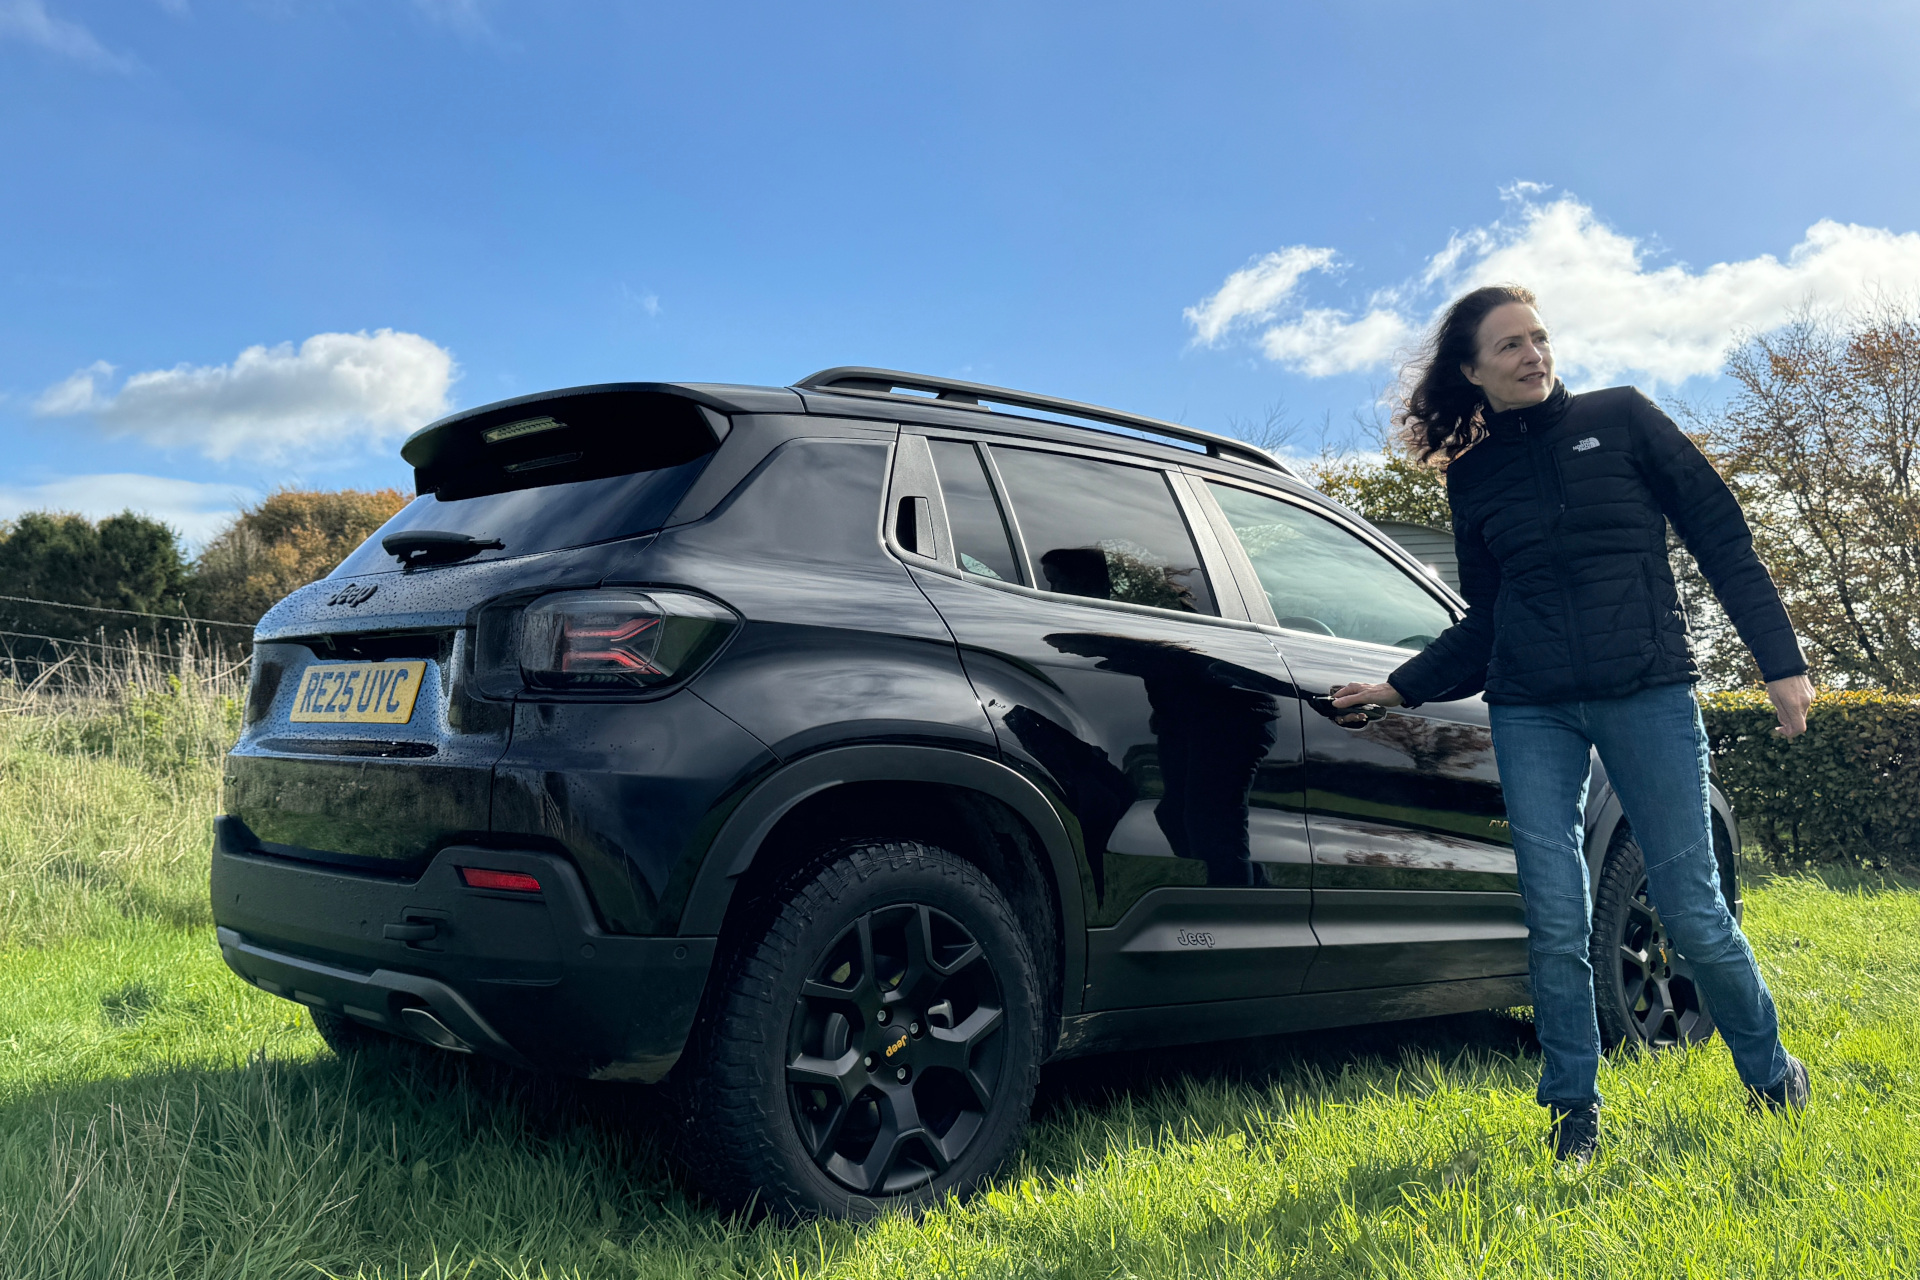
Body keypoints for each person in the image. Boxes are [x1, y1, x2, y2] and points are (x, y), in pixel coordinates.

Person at [1330, 284, 1813, 1163]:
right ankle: (1573, 1112)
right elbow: (1486, 620)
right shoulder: (1475, 476)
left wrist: (1780, 663)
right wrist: (1401, 686)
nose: (1532, 355)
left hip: (1648, 690)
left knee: (1691, 909)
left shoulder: (1623, 419)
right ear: (1472, 371)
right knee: (1555, 918)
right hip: (1532, 708)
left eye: (1539, 338)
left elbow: (1721, 534)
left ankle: (1771, 1072)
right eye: (1509, 346)